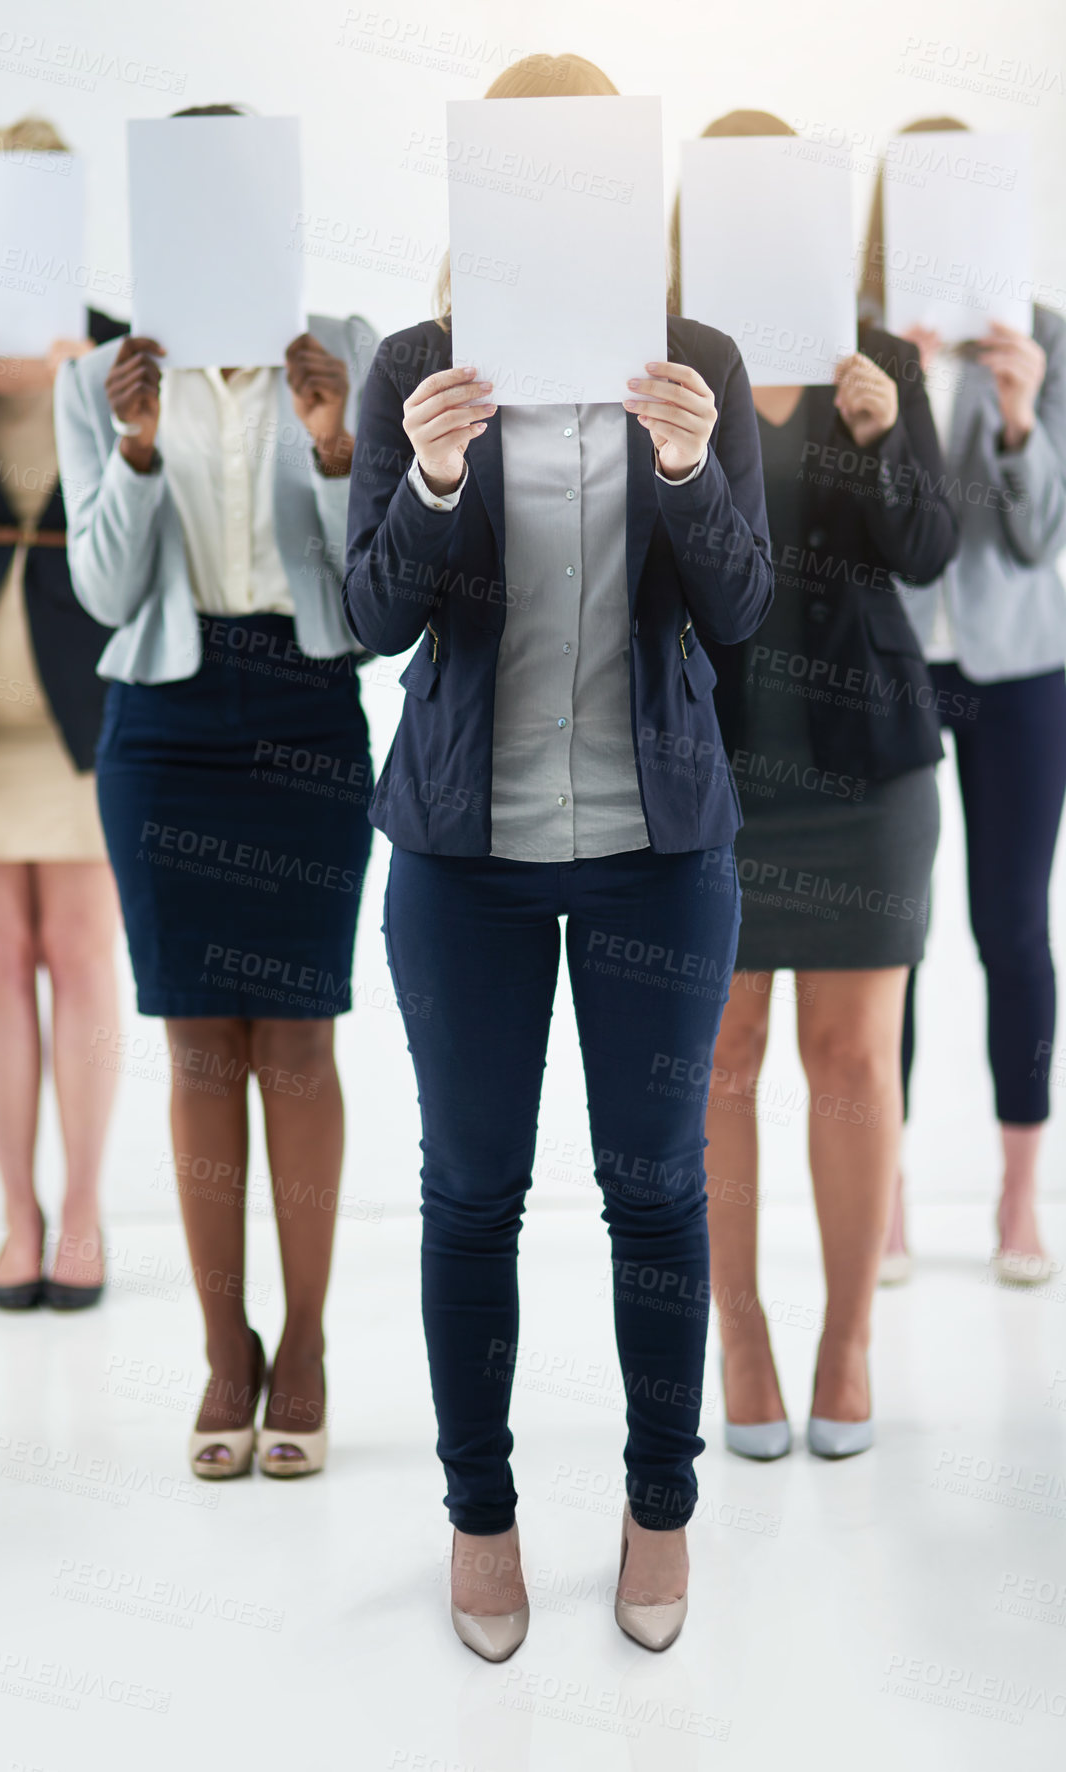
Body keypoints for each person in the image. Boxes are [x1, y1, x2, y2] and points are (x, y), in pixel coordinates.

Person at [344, 54, 772, 1658]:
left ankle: (661, 1508)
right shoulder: (414, 369)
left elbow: (739, 615)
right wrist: (440, 478)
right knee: (471, 1194)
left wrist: (683, 466)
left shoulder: (702, 363)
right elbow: (373, 618)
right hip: (467, 858)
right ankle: (481, 1517)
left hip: (662, 851)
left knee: (655, 1192)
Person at [54, 104, 376, 1480]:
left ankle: (301, 1346)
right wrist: (133, 452)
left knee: (296, 1044)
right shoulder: (105, 378)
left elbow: (377, 597)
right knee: (198, 1050)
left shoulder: (346, 356)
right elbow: (103, 593)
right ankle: (220, 1351)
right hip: (166, 722)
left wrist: (336, 446)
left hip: (305, 709)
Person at [684, 112, 958, 1461]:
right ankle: (742, 1334)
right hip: (715, 778)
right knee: (722, 1054)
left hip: (864, 772)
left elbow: (927, 549)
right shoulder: (668, 364)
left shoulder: (879, 355)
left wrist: (884, 431)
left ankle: (847, 1337)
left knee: (850, 1058)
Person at [863, 119, 1066, 1289]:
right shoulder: (868, 344)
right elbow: (870, 529)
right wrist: (897, 391)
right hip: (895, 659)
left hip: (1020, 669)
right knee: (893, 935)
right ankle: (884, 1197)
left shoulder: (1039, 338)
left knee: (1013, 926)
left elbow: (1037, 539)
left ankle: (1020, 1193)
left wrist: (1021, 414)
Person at [0, 116, 127, 1312]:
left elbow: (140, 518)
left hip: (84, 709)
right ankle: (18, 1214)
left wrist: (81, 396)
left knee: (82, 955)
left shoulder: (109, 353)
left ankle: (89, 1211)